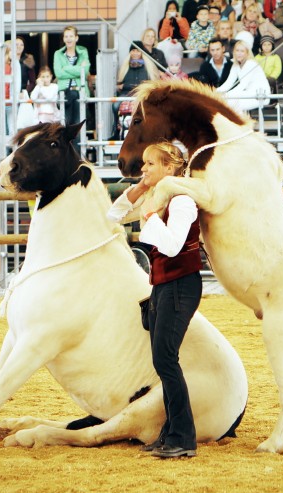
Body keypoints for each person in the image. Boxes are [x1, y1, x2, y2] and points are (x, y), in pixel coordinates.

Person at [107, 142, 202, 459]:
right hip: (163, 285)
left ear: (170, 168)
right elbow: (113, 215)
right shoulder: (157, 198)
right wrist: (139, 190)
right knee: (163, 362)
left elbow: (173, 246)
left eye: (150, 164)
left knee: (165, 360)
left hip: (180, 285)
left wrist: (149, 214)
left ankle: (183, 438)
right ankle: (172, 432)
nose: (143, 168)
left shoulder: (183, 201)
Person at [110, 43, 160, 139]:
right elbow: (120, 84)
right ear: (130, 52)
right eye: (133, 50)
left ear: (141, 52)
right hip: (127, 94)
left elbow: (147, 84)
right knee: (115, 105)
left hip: (142, 94)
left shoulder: (148, 67)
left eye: (138, 50)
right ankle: (116, 131)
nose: (135, 53)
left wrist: (126, 86)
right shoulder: (125, 67)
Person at [217, 32, 271, 112]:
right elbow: (228, 83)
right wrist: (214, 92)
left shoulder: (250, 64)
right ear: (234, 52)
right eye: (237, 50)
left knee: (231, 103)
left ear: (247, 53)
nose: (239, 54)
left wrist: (225, 95)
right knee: (228, 102)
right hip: (248, 93)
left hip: (260, 95)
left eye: (242, 51)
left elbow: (242, 85)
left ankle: (241, 124)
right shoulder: (235, 64)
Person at [53, 26, 91, 128]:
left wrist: (65, 68)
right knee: (66, 124)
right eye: (66, 36)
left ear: (76, 38)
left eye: (71, 36)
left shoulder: (83, 52)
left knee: (78, 124)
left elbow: (85, 71)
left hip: (80, 92)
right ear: (63, 39)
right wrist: (78, 69)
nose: (69, 39)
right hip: (65, 93)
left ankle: (78, 144)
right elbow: (58, 73)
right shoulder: (58, 54)